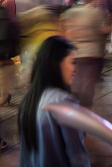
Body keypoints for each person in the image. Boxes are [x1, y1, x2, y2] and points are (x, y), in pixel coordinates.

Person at [19, 36, 89, 167]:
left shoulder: (29, 100)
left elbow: (25, 156)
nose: (76, 69)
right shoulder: (63, 101)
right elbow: (77, 154)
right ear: (56, 64)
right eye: (72, 62)